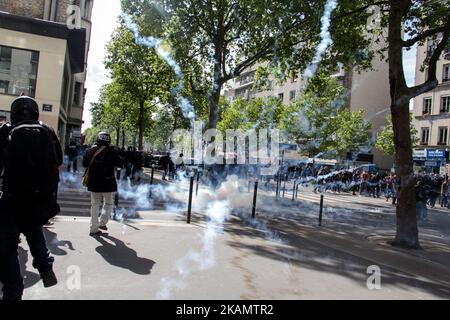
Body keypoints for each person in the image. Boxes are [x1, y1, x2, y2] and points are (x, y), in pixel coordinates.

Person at [0, 96, 62, 300]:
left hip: (10, 199)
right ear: (35, 112)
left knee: (8, 245)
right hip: (37, 199)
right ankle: (45, 267)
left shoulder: (6, 130)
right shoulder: (48, 130)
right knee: (34, 230)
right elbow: (58, 161)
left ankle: (13, 289)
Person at [82, 132, 123, 236]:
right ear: (108, 140)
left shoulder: (89, 150)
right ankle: (103, 222)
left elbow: (84, 164)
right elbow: (120, 163)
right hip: (108, 182)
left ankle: (93, 228)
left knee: (95, 204)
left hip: (94, 182)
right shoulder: (112, 151)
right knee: (108, 203)